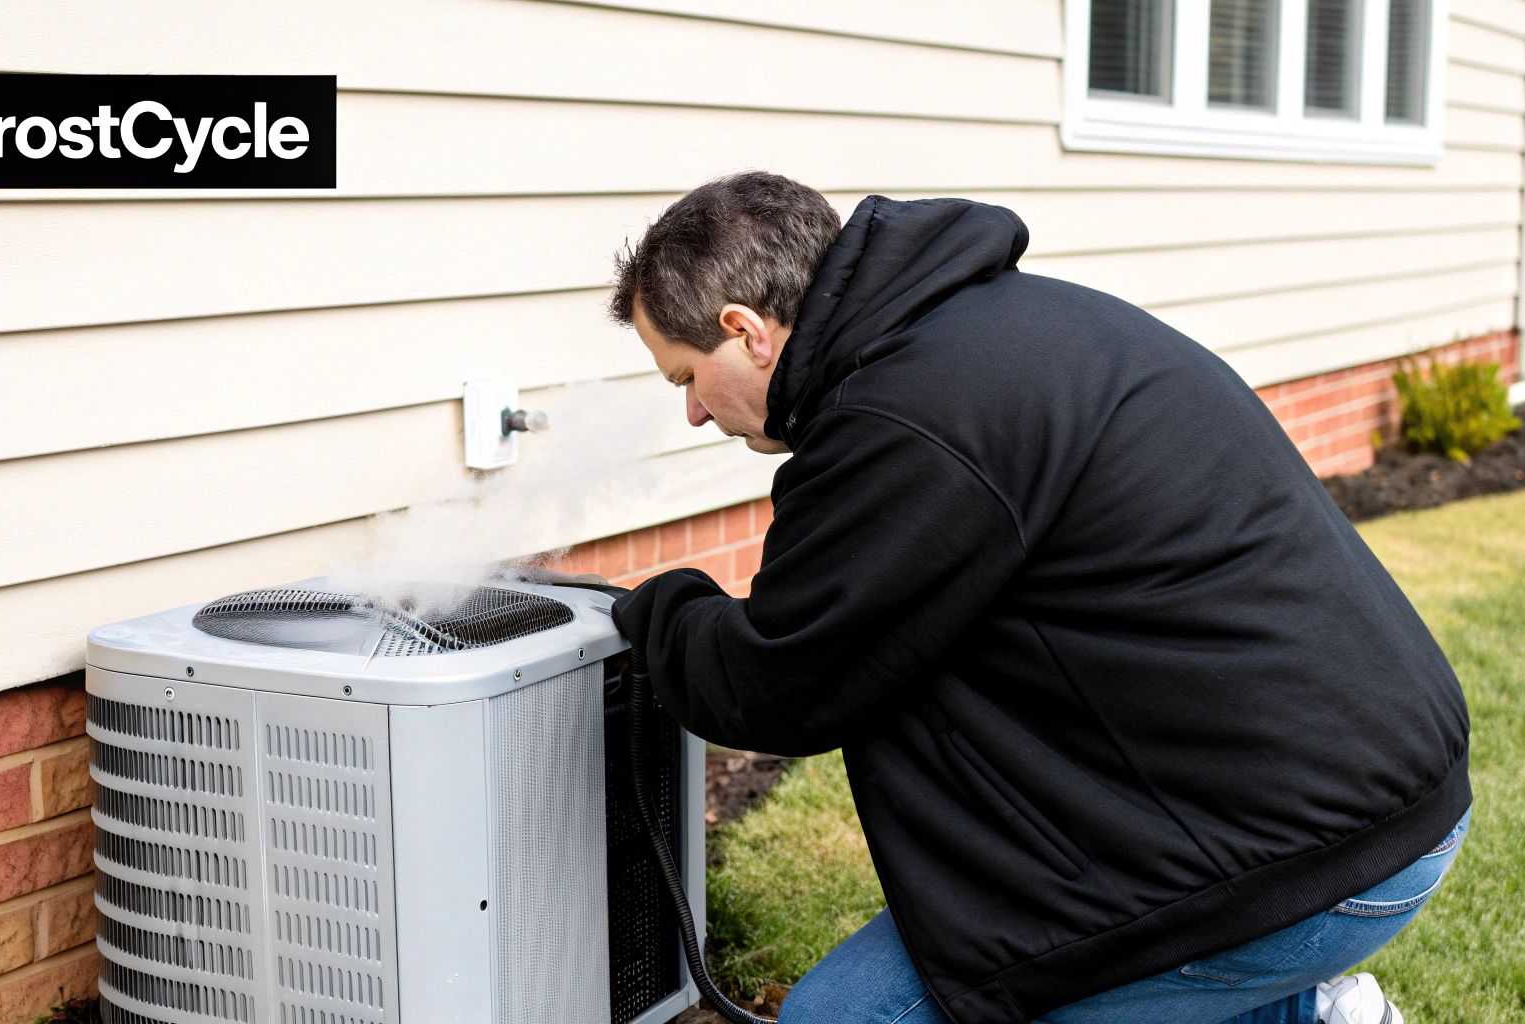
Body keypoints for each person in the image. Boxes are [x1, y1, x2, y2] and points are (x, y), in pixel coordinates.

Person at [605, 171, 1472, 1024]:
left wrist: (654, 605)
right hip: (1367, 801)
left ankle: (1295, 1005)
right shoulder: (983, 326)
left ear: (746, 331)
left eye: (684, 378)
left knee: (848, 1016)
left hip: (1308, 861)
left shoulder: (905, 416)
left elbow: (778, 683)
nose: (692, 414)